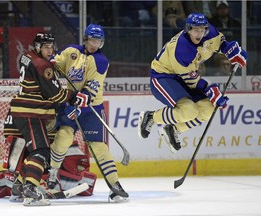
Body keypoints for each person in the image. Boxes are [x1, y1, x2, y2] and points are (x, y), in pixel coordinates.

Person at [138, 13, 247, 153]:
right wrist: (210, 89)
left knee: (208, 107)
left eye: (202, 30)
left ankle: (173, 129)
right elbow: (191, 80)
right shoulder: (182, 49)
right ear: (188, 29)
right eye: (196, 30)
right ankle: (151, 117)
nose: (200, 33)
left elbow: (221, 44)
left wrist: (232, 50)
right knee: (189, 110)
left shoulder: (210, 33)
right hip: (163, 76)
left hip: (184, 76)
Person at [3, 33, 90, 206]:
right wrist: (73, 96)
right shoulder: (42, 64)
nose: (50, 50)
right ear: (37, 47)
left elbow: (42, 82)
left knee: (35, 152)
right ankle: (30, 190)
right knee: (41, 152)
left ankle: (18, 187)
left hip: (20, 113)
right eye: (46, 47)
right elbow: (56, 94)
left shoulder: (27, 56)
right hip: (30, 113)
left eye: (51, 46)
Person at [47, 24, 129, 201]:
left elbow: (90, 88)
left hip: (91, 108)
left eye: (98, 41)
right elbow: (55, 64)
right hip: (69, 103)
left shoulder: (101, 61)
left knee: (99, 147)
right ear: (85, 39)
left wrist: (77, 105)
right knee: (63, 137)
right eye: (92, 40)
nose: (94, 44)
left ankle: (115, 185)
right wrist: (50, 62)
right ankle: (52, 175)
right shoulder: (71, 51)